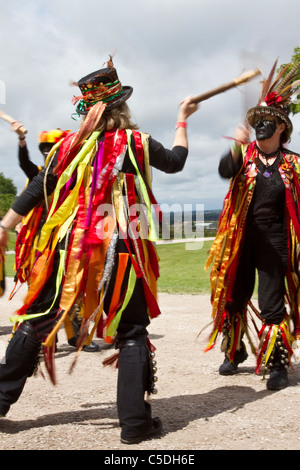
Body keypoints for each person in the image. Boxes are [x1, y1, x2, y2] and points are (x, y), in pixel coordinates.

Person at [0, 56, 198, 444]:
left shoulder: (65, 146)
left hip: (72, 247)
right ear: (121, 105)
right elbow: (176, 162)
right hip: (124, 243)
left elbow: (37, 187)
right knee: (131, 329)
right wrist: (182, 119)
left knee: (40, 318)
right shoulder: (137, 143)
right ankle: (134, 424)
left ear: (85, 110)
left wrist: (3, 226)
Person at [205, 59, 300, 391]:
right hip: (241, 238)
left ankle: (276, 364)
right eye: (257, 121)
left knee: (272, 302)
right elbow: (222, 170)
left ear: (281, 129)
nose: (261, 126)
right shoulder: (242, 157)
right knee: (234, 297)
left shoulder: (294, 164)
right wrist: (236, 143)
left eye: (268, 122)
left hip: (275, 240)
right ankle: (234, 352)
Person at [9, 124, 99, 352]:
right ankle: (46, 339)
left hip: (66, 239)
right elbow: (24, 164)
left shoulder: (74, 175)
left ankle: (76, 338)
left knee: (72, 287)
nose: (48, 151)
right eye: (44, 148)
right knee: (39, 288)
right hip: (38, 243)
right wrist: (21, 140)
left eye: (52, 147)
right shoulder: (39, 173)